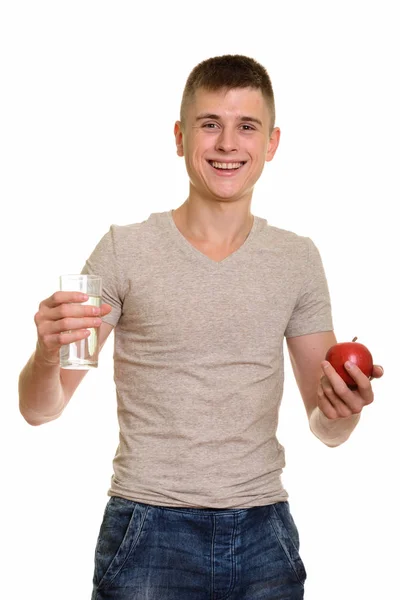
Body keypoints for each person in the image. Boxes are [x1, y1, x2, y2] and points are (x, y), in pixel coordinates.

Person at [18, 54, 384, 600]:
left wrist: (344, 412)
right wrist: (47, 353)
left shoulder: (298, 259)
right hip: (146, 532)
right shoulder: (120, 249)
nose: (227, 144)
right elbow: (39, 409)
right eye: (210, 124)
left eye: (247, 126)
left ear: (273, 143)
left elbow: (324, 428)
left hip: (266, 535)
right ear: (180, 136)